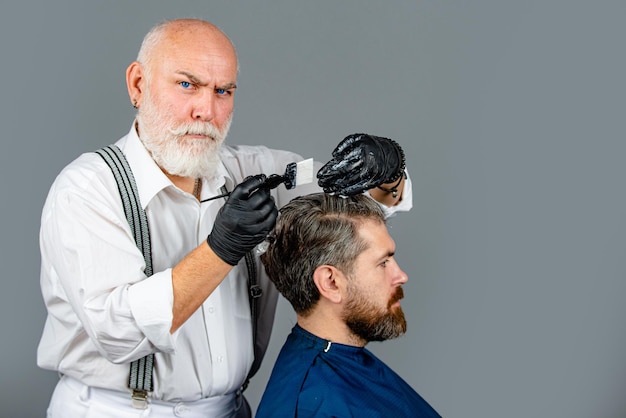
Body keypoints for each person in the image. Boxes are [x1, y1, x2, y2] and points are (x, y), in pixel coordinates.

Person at [37, 18, 412, 418]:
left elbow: (366, 199)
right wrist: (221, 250)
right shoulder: (87, 190)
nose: (206, 110)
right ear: (138, 84)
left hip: (230, 410)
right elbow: (117, 333)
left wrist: (388, 172)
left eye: (223, 91)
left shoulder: (258, 171)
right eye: (187, 85)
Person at [257, 193, 439, 417]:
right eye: (383, 263)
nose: (401, 276)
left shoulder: (342, 358)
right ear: (331, 283)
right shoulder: (309, 407)